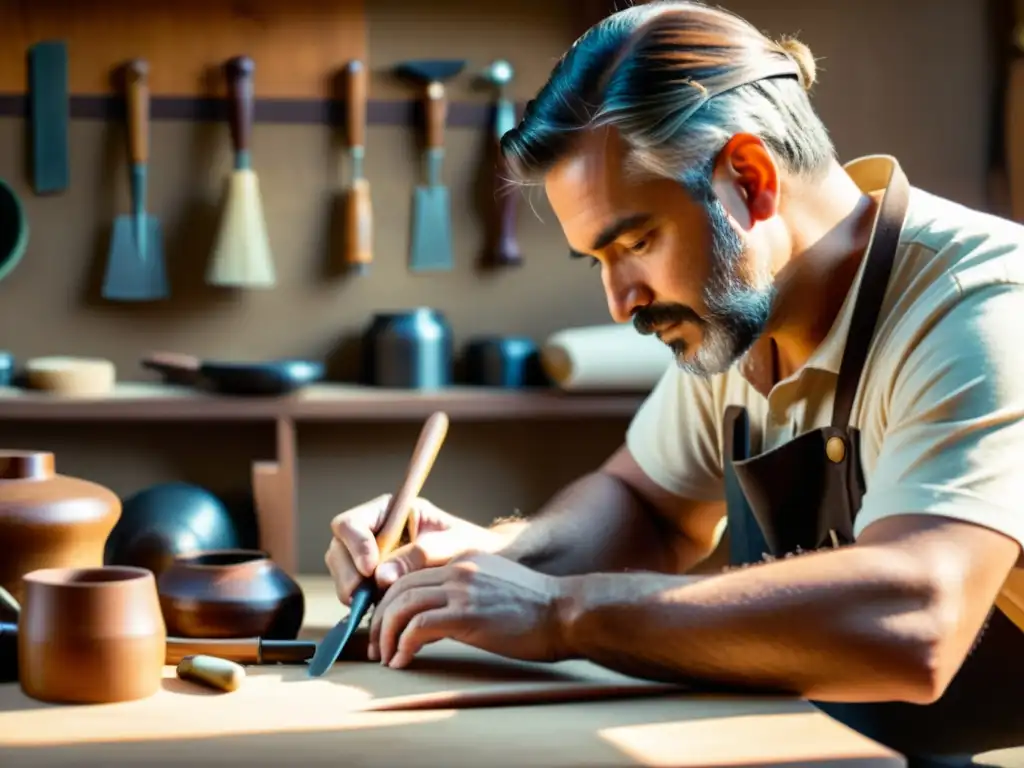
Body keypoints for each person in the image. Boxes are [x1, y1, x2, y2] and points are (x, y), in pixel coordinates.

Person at [325, 2, 1024, 762]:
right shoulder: (743, 316)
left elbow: (916, 622)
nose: (620, 300)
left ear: (749, 179)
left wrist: (564, 612)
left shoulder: (980, 306)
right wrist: (491, 561)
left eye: (636, 242)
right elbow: (648, 509)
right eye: (599, 261)